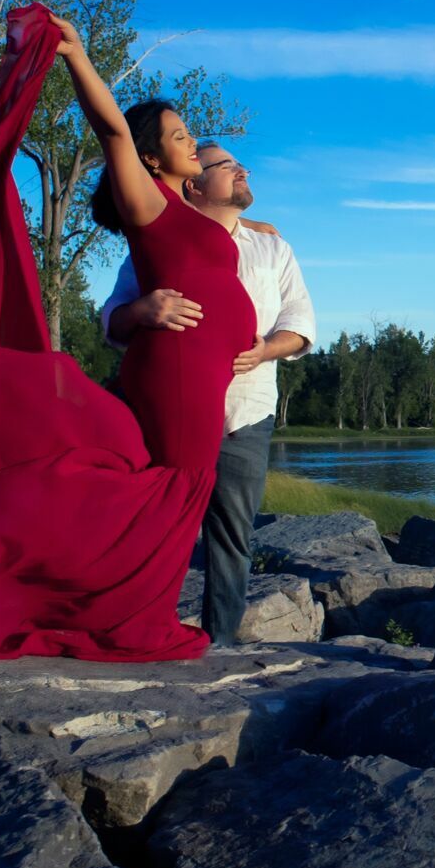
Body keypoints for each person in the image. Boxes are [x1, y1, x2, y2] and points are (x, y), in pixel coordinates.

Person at [0, 3, 251, 661]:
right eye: (180, 135)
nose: (193, 142)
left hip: (197, 367)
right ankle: (135, 621)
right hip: (178, 368)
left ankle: (122, 611)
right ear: (152, 155)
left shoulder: (189, 213)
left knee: (171, 491)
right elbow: (112, 128)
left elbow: (224, 247)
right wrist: (76, 55)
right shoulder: (148, 201)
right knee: (177, 487)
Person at [99, 141, 314, 643]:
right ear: (193, 185)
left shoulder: (273, 249)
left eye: (241, 163)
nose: (243, 170)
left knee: (232, 537)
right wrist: (142, 311)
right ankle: (142, 631)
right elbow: (113, 320)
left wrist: (265, 350)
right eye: (227, 165)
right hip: (167, 411)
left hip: (246, 411)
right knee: (157, 525)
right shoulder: (158, 241)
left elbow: (301, 325)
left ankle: (219, 645)